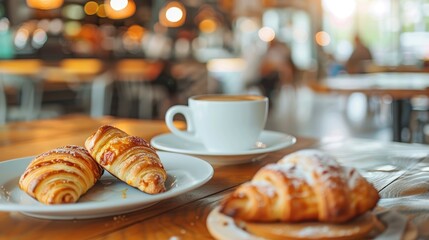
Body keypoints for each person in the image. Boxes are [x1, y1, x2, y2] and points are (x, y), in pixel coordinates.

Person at [257, 38, 297, 105]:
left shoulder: (280, 53)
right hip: (267, 78)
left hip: (275, 78)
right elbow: (263, 69)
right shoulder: (268, 53)